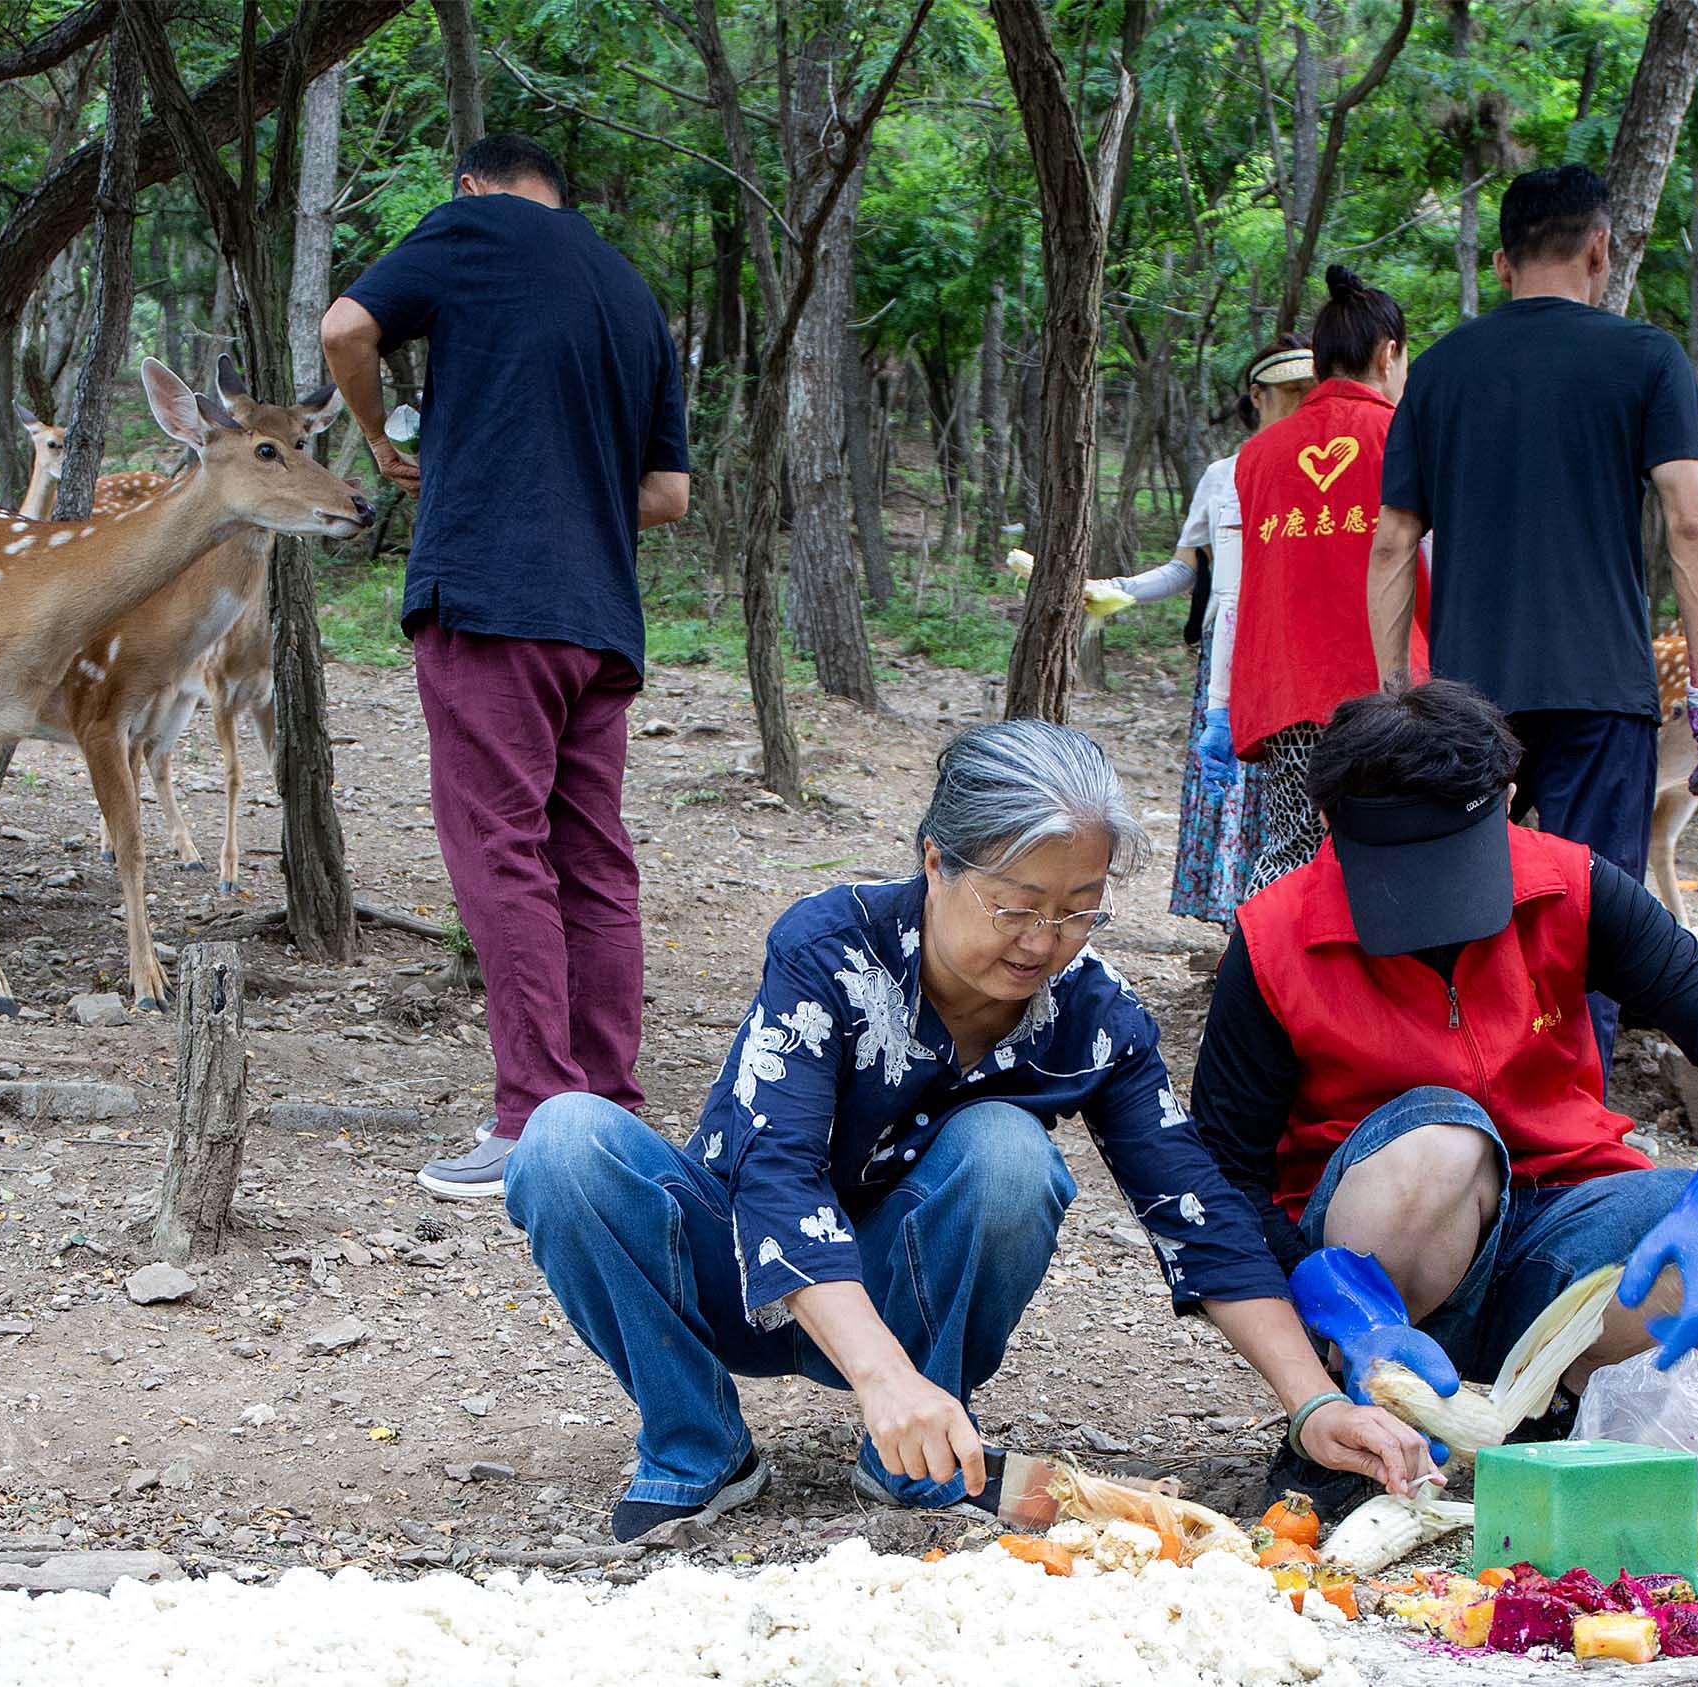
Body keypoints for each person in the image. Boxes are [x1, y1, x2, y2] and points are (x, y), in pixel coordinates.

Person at [505, 722, 1438, 1541]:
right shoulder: (830, 946)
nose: (1043, 939)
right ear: (936, 862)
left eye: (1078, 908)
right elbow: (775, 1172)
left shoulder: (1094, 1014)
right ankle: (697, 1443)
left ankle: (913, 1449)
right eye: (1017, 904)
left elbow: (1195, 1208)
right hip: (734, 1275)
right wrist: (876, 1378)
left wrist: (1311, 1402)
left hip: (910, 1305)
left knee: (1005, 1148)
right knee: (563, 1141)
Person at [1192, 679, 1698, 1516]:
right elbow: (1224, 1175)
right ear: (1332, 826)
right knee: (1445, 1141)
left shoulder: (1573, 886)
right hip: (1380, 1260)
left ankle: (1548, 1415)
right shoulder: (1272, 942)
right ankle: (1366, 1416)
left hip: (1557, 1237)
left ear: (1510, 803)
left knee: (1683, 1202)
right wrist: (1337, 1303)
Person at [320, 135, 693, 1201]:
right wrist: (566, 491)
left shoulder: (474, 224)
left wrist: (391, 446)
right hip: (600, 622)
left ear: (474, 185)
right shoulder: (629, 291)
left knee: (501, 846)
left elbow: (347, 326)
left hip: (493, 599)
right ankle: (608, 1109)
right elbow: (667, 495)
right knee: (593, 858)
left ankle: (534, 1114)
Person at [1367, 163, 1698, 1064]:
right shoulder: (1647, 359)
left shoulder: (1442, 369)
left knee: (1460, 912)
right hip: (1599, 685)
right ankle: (1575, 1134)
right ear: (1600, 248)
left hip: (1467, 697)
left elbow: (1390, 542)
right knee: (1591, 916)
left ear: (1501, 264)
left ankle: (1463, 1104)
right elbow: (1692, 522)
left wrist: (1396, 696)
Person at [1087, 338, 1316, 925]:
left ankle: (1282, 922)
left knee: (1291, 794)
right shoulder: (1222, 476)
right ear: (1258, 398)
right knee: (1233, 789)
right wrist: (1115, 589)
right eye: (1292, 394)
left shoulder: (1327, 471)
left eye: (1311, 392)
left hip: (1299, 655)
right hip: (1228, 654)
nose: (1305, 404)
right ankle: (1238, 928)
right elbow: (1187, 568)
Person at [1230, 266, 1426, 897]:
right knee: (1391, 841)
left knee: (1291, 845)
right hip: (1388, 687)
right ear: (1388, 352)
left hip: (1287, 687)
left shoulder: (1258, 454)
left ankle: (1265, 981)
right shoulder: (1404, 435)